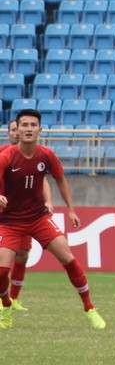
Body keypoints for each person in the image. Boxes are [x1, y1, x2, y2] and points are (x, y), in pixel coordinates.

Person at [0, 109, 106, 330]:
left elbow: (59, 179)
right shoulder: (7, 156)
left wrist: (71, 210)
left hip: (38, 218)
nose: (29, 129)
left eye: (33, 125)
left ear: (40, 129)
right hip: (9, 221)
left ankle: (90, 308)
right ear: (17, 130)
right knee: (1, 271)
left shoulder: (46, 155)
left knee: (68, 258)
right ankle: (7, 304)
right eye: (24, 125)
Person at [0, 120, 54, 312]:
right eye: (13, 130)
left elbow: (43, 181)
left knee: (22, 254)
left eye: (18, 129)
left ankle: (13, 298)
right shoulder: (3, 154)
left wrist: (48, 201)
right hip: (4, 216)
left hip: (27, 214)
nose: (17, 133)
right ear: (8, 134)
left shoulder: (35, 155)